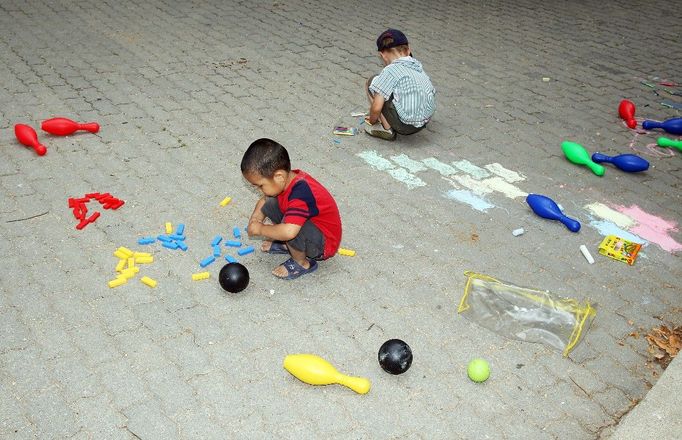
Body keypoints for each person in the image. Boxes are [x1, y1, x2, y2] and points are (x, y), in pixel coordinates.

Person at [241, 138, 342, 280]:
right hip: (310, 229)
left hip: (323, 245)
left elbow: (289, 231)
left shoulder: (301, 193)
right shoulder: (285, 180)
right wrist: (256, 219)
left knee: (290, 229)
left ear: (279, 176)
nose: (259, 190)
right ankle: (288, 246)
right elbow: (264, 201)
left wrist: (261, 229)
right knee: (270, 201)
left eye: (260, 185)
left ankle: (301, 262)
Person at [365, 28, 436, 141]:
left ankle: (386, 128)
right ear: (408, 50)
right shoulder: (417, 66)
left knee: (372, 82)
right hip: (423, 121)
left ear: (382, 55)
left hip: (404, 126)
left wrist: (372, 121)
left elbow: (377, 107)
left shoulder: (390, 71)